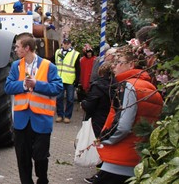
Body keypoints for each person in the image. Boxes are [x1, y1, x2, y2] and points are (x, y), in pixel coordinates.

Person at [94, 45, 164, 184]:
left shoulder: (128, 86)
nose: (114, 66)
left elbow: (123, 126)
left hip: (119, 159)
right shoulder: (151, 88)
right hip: (137, 158)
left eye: (118, 62)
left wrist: (103, 139)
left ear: (131, 64)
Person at [5, 32, 63, 184]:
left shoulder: (48, 66)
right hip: (21, 121)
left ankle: (42, 180)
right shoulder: (16, 66)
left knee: (40, 157)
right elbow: (8, 86)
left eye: (18, 46)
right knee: (22, 158)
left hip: (41, 120)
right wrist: (24, 85)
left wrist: (37, 84)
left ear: (27, 48)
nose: (15, 49)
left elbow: (57, 87)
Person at [81, 61, 114, 183]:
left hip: (98, 119)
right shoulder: (117, 85)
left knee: (99, 145)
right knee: (105, 145)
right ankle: (102, 173)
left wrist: (83, 104)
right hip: (110, 119)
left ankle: (101, 174)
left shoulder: (97, 86)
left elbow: (90, 104)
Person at [54, 38, 80, 123]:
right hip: (59, 79)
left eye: (67, 43)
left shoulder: (75, 54)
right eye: (64, 43)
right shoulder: (58, 52)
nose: (66, 45)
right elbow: (54, 65)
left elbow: (78, 68)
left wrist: (77, 80)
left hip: (70, 80)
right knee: (59, 98)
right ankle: (60, 115)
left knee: (70, 99)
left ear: (70, 44)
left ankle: (68, 116)